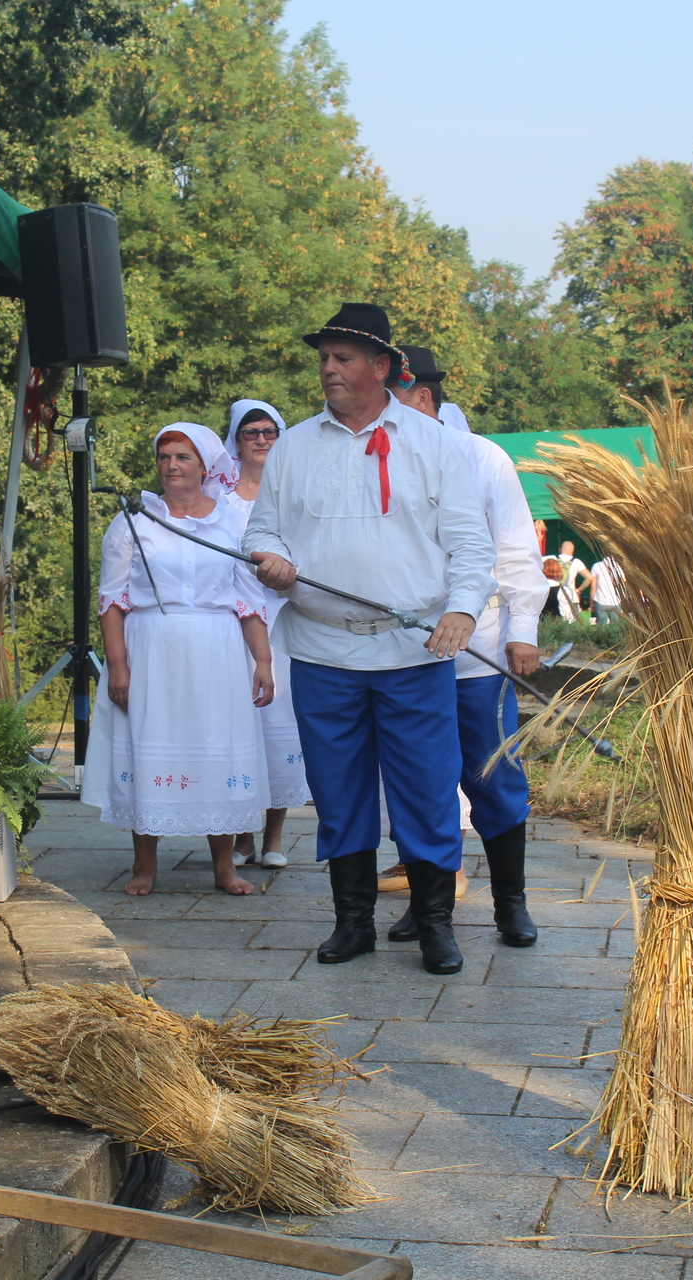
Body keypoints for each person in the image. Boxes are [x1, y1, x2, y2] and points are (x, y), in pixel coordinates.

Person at [243, 303, 494, 975]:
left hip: (414, 651)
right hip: (323, 650)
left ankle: (436, 923)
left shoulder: (433, 442)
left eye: (343, 357)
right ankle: (351, 921)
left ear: (382, 367)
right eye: (324, 357)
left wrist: (464, 612)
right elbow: (261, 529)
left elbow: (471, 544)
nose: (329, 368)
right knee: (338, 787)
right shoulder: (294, 445)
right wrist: (269, 559)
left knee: (428, 788)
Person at [379, 345, 545, 948]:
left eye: (387, 398)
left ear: (420, 397)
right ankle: (428, 903)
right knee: (414, 780)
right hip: (402, 651)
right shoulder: (381, 457)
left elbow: (516, 548)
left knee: (492, 775)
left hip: (478, 652)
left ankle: (510, 903)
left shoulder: (483, 458)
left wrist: (523, 633)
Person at [82, 422, 275, 896]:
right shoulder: (134, 520)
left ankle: (225, 867)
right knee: (150, 745)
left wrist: (264, 662)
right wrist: (119, 665)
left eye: (183, 457)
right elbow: (111, 600)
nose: (171, 466)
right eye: (165, 457)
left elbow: (249, 602)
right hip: (152, 648)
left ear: (205, 466)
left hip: (216, 650)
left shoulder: (232, 522)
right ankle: (144, 866)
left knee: (217, 749)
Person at [219, 398, 308, 870]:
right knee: (239, 728)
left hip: (283, 622)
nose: (260, 440)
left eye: (269, 432)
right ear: (236, 441)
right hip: (232, 628)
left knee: (278, 730)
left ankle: (274, 835)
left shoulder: (294, 495)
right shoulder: (220, 502)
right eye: (251, 432)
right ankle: (240, 834)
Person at [558, 541, 593, 620]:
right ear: (572, 550)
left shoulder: (552, 560)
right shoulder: (576, 562)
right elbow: (589, 578)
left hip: (554, 595)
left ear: (560, 549)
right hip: (571, 595)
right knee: (573, 620)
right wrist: (579, 589)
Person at [590, 553, 624, 626]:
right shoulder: (618, 567)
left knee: (602, 627)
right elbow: (624, 581)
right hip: (616, 601)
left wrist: (592, 601)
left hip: (600, 601)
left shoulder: (596, 566)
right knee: (617, 627)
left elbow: (593, 586)